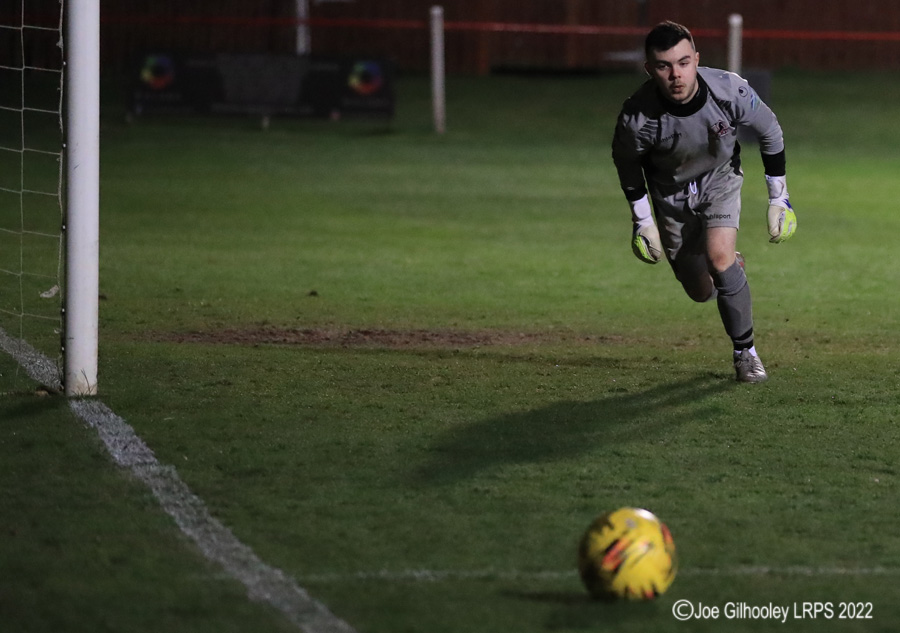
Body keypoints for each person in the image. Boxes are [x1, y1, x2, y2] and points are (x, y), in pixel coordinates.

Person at [611, 21, 797, 383]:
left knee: (719, 258)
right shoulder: (637, 117)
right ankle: (728, 275)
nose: (676, 75)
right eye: (664, 66)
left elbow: (770, 130)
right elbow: (627, 164)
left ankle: (746, 353)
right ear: (649, 69)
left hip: (720, 180)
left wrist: (779, 198)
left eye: (683, 62)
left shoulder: (729, 90)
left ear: (696, 59)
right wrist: (642, 220)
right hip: (671, 195)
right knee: (699, 290)